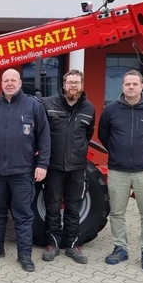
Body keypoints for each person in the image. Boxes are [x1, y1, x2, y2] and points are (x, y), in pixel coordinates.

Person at [0, 69, 50, 272]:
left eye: (13, 80)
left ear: (19, 82)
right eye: (6, 80)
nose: (9, 83)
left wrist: (42, 164)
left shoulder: (33, 105)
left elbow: (44, 137)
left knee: (23, 214)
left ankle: (24, 254)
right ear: (1, 83)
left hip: (22, 171)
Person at [98, 70, 143, 271]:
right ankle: (120, 248)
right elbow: (104, 135)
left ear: (141, 86)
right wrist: (117, 153)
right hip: (118, 171)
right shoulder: (111, 110)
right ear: (122, 87)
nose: (131, 87)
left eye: (134, 84)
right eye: (127, 84)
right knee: (117, 212)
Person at [40, 69, 95, 264]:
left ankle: (73, 245)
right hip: (54, 166)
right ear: (63, 85)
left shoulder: (89, 108)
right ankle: (53, 243)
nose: (73, 86)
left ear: (81, 85)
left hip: (77, 168)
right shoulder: (49, 105)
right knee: (53, 206)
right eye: (69, 82)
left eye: (76, 83)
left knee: (74, 207)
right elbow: (42, 133)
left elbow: (88, 135)